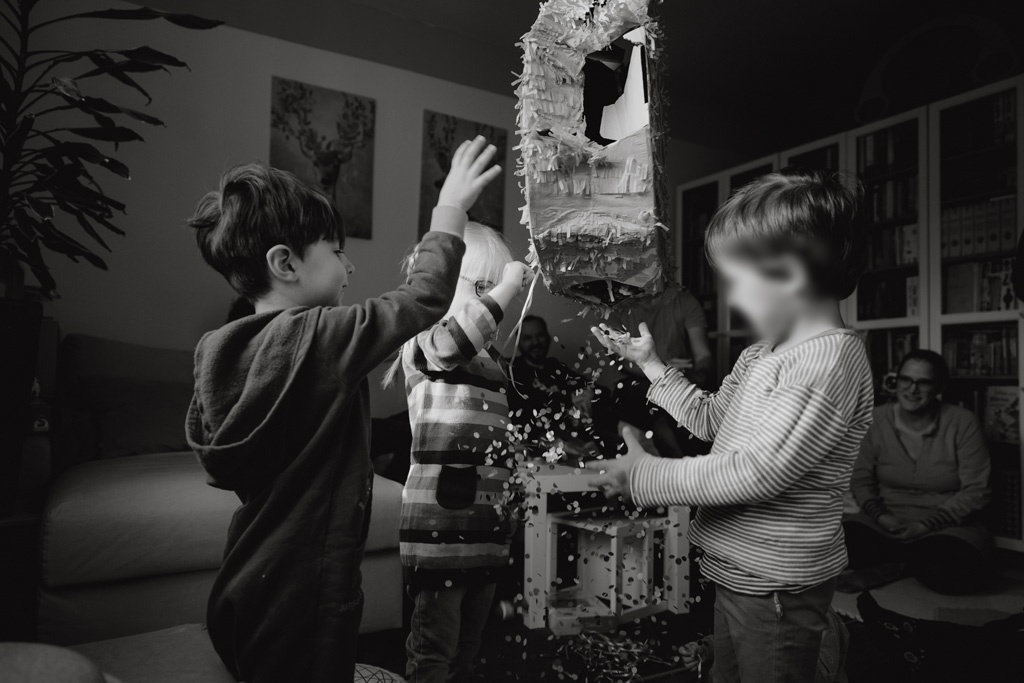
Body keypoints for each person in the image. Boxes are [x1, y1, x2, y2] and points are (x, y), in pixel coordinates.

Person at [184, 137, 502, 683]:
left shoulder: (218, 351)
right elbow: (422, 299)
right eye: (335, 250)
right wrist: (449, 208)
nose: (349, 265)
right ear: (284, 263)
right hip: (310, 585)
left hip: (249, 574)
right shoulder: (321, 337)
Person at [591, 168, 874, 683]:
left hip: (778, 583)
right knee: (727, 672)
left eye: (736, 282)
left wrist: (646, 477)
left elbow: (757, 472)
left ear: (788, 274)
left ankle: (828, 649)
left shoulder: (827, 363)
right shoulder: (760, 355)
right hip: (734, 567)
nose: (730, 298)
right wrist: (653, 366)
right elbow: (710, 418)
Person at [384, 224, 533, 683]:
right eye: (482, 287)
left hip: (487, 531)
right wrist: (510, 286)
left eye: (497, 286)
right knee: (436, 649)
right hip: (440, 532)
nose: (495, 299)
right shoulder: (426, 343)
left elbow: (497, 435)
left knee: (471, 649)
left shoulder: (492, 362)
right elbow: (456, 341)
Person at [845, 349, 993, 595]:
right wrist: (881, 517)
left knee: (953, 574)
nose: (912, 389)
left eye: (923, 382)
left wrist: (927, 525)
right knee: (831, 545)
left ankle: (900, 562)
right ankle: (912, 560)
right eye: (905, 380)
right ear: (897, 381)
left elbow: (978, 490)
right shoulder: (874, 419)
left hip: (948, 524)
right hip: (884, 522)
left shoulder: (963, 422)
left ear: (939, 387)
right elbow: (860, 480)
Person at [609, 286, 713, 458]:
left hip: (680, 377)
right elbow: (623, 363)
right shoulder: (617, 309)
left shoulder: (684, 302)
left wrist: (696, 377)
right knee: (661, 424)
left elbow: (703, 355)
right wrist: (661, 367)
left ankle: (692, 463)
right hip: (635, 385)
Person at [509, 315, 612, 456]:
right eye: (527, 338)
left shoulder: (556, 367)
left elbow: (603, 392)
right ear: (518, 342)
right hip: (542, 449)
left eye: (540, 336)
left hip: (581, 442)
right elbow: (517, 421)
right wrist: (553, 444)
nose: (535, 342)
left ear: (548, 337)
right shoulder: (512, 372)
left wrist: (589, 394)